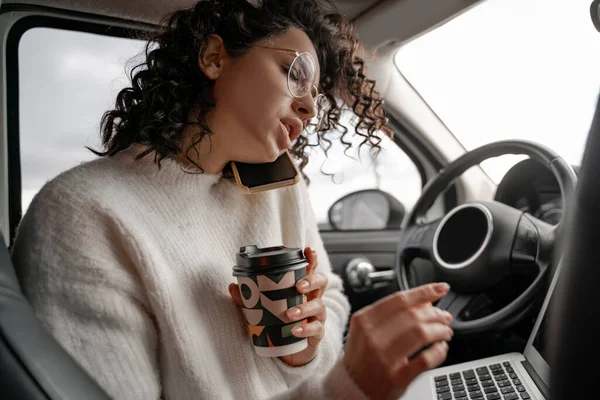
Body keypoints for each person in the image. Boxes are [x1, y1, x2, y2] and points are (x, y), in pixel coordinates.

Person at [11, 0, 454, 399]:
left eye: (316, 96)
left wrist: (306, 345)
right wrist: (349, 389)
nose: (311, 109)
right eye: (295, 73)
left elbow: (332, 294)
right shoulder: (84, 212)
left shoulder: (282, 185)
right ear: (215, 58)